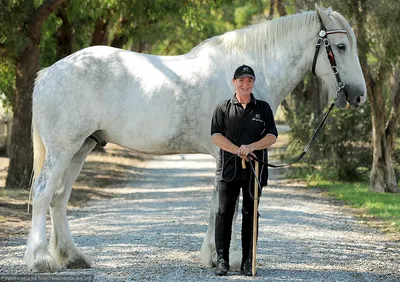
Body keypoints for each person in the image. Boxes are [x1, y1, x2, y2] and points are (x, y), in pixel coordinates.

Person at [210, 65, 278, 276]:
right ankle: (223, 260)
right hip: (228, 170)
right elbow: (216, 136)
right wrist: (237, 150)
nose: (245, 84)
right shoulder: (223, 108)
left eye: (249, 81)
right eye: (241, 80)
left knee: (251, 214)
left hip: (254, 170)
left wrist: (252, 147)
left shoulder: (263, 108)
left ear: (253, 83)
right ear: (234, 82)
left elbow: (272, 136)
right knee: (224, 213)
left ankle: (248, 261)